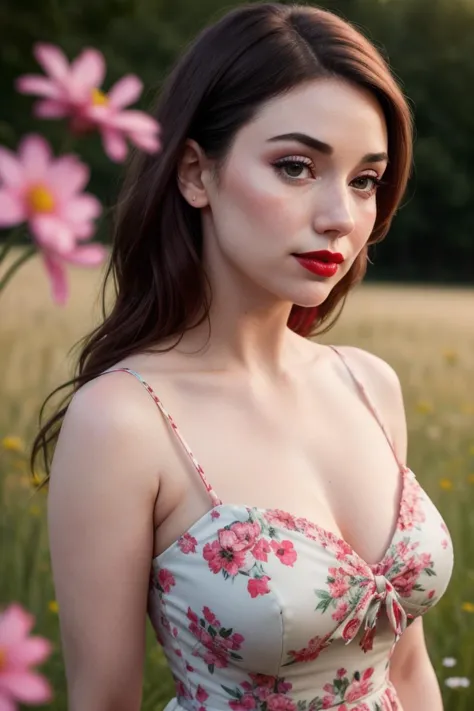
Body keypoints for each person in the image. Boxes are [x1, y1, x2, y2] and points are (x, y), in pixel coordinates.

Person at [32, 3, 454, 710]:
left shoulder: (367, 384)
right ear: (196, 173)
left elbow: (407, 670)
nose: (340, 217)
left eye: (364, 180)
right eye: (296, 167)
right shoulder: (124, 421)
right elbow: (103, 699)